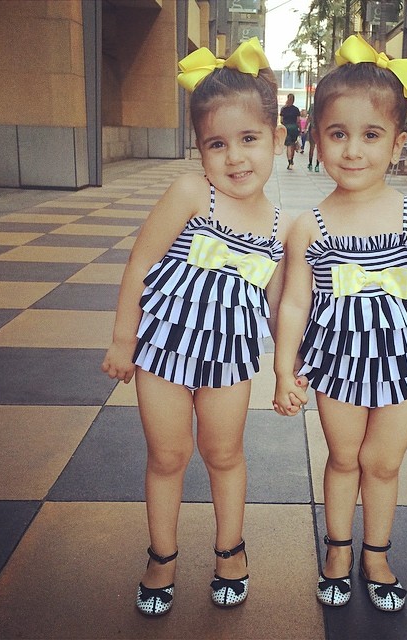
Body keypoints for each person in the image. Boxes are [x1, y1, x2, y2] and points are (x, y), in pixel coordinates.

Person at [102, 38, 297, 616]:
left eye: (249, 139)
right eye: (217, 143)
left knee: (224, 453)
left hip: (229, 360)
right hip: (161, 350)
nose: (235, 157)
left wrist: (287, 371)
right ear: (200, 149)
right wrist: (123, 338)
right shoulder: (193, 194)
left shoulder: (281, 227)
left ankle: (229, 550)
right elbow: (140, 263)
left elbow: (281, 304)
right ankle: (161, 556)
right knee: (167, 456)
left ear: (277, 139)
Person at [273, 34, 407, 613]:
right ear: (316, 139)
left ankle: (376, 555)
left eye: (371, 135)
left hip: (404, 361)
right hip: (339, 363)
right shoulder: (309, 225)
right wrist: (284, 369)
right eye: (338, 134)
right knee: (344, 458)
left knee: (383, 463)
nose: (353, 150)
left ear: (398, 143)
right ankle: (338, 551)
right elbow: (294, 303)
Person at [280, 93, 301, 170]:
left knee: (288, 145)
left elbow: (281, 120)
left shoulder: (283, 109)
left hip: (286, 128)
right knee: (293, 145)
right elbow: (298, 121)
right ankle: (292, 159)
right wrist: (299, 129)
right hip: (294, 128)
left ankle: (289, 162)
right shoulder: (296, 109)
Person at [306, 104, 320, 172]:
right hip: (320, 129)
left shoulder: (312, 106)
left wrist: (305, 127)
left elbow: (309, 118)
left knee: (312, 147)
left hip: (313, 128)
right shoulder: (322, 105)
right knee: (319, 148)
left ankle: (310, 164)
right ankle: (317, 165)